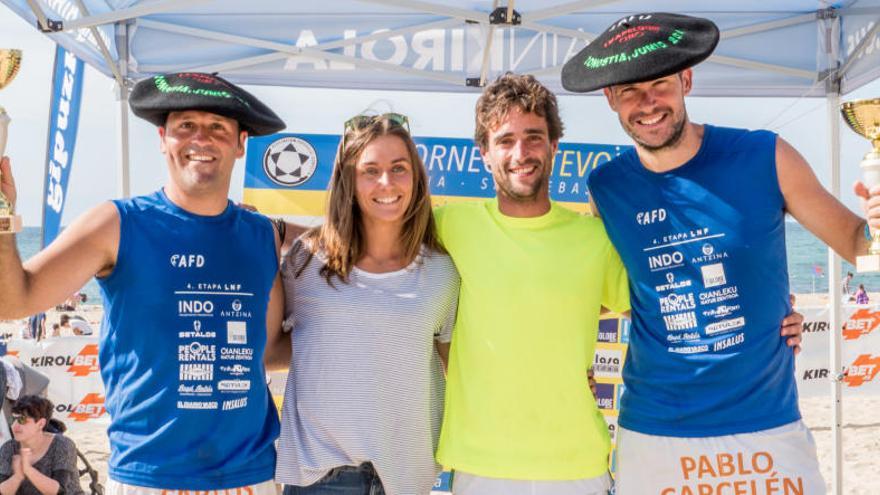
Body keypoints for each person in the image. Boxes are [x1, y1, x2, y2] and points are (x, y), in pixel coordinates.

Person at [562, 12, 865, 493]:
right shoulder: (605, 188)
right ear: (610, 99)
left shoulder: (766, 155)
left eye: (660, 84)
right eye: (629, 92)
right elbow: (613, 293)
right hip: (656, 430)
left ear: (686, 79)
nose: (647, 104)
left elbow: (855, 241)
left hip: (766, 425)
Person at [0, 72, 287, 495]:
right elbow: (15, 301)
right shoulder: (116, 224)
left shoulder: (263, 236)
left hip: (250, 477)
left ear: (241, 142)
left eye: (218, 128)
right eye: (186, 125)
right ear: (162, 138)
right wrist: (4, 219)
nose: (201, 139)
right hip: (148, 477)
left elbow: (267, 348)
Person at [272, 113, 459, 495]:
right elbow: (271, 350)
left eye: (398, 168)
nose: (386, 183)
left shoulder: (442, 271)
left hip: (406, 479)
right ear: (349, 181)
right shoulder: (307, 262)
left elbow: (459, 366)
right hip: (321, 480)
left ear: (416, 177)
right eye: (370, 170)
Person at [0, 395, 84, 495]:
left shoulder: (62, 444)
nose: (15, 426)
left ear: (40, 424)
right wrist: (17, 477)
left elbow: (60, 491)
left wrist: (28, 470)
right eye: (13, 419)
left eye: (22, 420)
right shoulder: (8, 447)